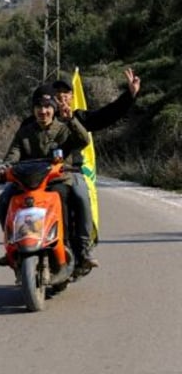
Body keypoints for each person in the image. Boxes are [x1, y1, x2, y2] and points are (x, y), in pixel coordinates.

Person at [47, 67, 141, 266]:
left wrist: (129, 96)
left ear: (72, 97)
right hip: (42, 175)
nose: (61, 100)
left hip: (72, 173)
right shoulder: (41, 120)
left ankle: (82, 250)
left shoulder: (80, 118)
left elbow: (107, 115)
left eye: (65, 96)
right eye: (57, 97)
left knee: (82, 198)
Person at [0, 85, 92, 267]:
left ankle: (78, 248)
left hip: (58, 179)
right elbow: (14, 153)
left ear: (53, 109)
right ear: (33, 110)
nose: (43, 111)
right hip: (28, 182)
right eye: (39, 107)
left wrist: (70, 119)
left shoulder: (64, 128)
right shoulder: (25, 131)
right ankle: (13, 246)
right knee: (3, 202)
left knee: (74, 198)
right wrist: (5, 167)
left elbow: (83, 140)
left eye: (47, 107)